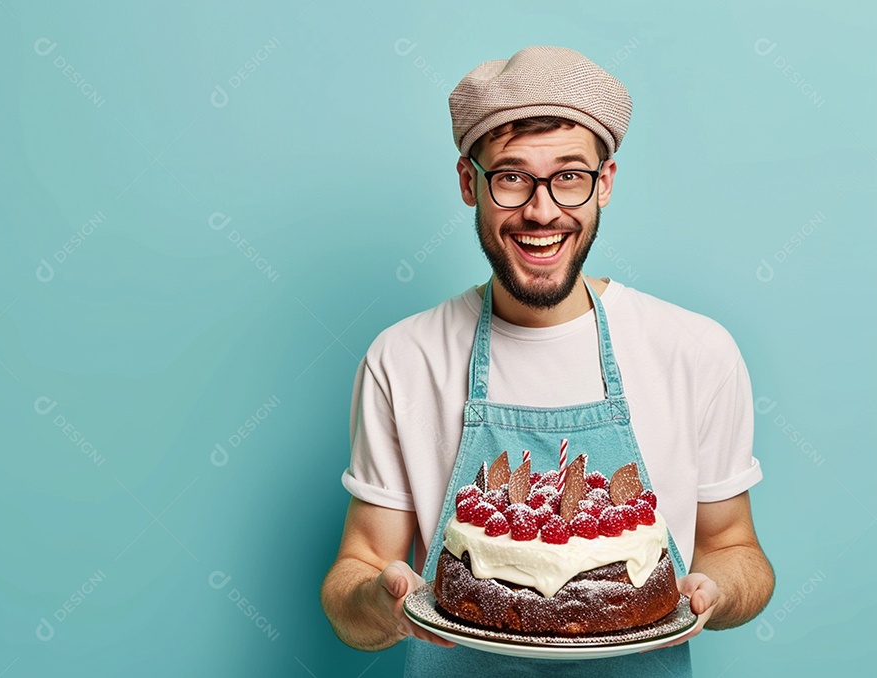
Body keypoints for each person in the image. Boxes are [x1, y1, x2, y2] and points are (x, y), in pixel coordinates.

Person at [319, 46, 774, 677]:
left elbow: (736, 548)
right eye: (510, 176)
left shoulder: (695, 351)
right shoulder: (403, 358)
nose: (541, 209)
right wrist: (381, 601)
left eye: (569, 175)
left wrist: (714, 592)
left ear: (604, 183)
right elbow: (356, 575)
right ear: (467, 181)